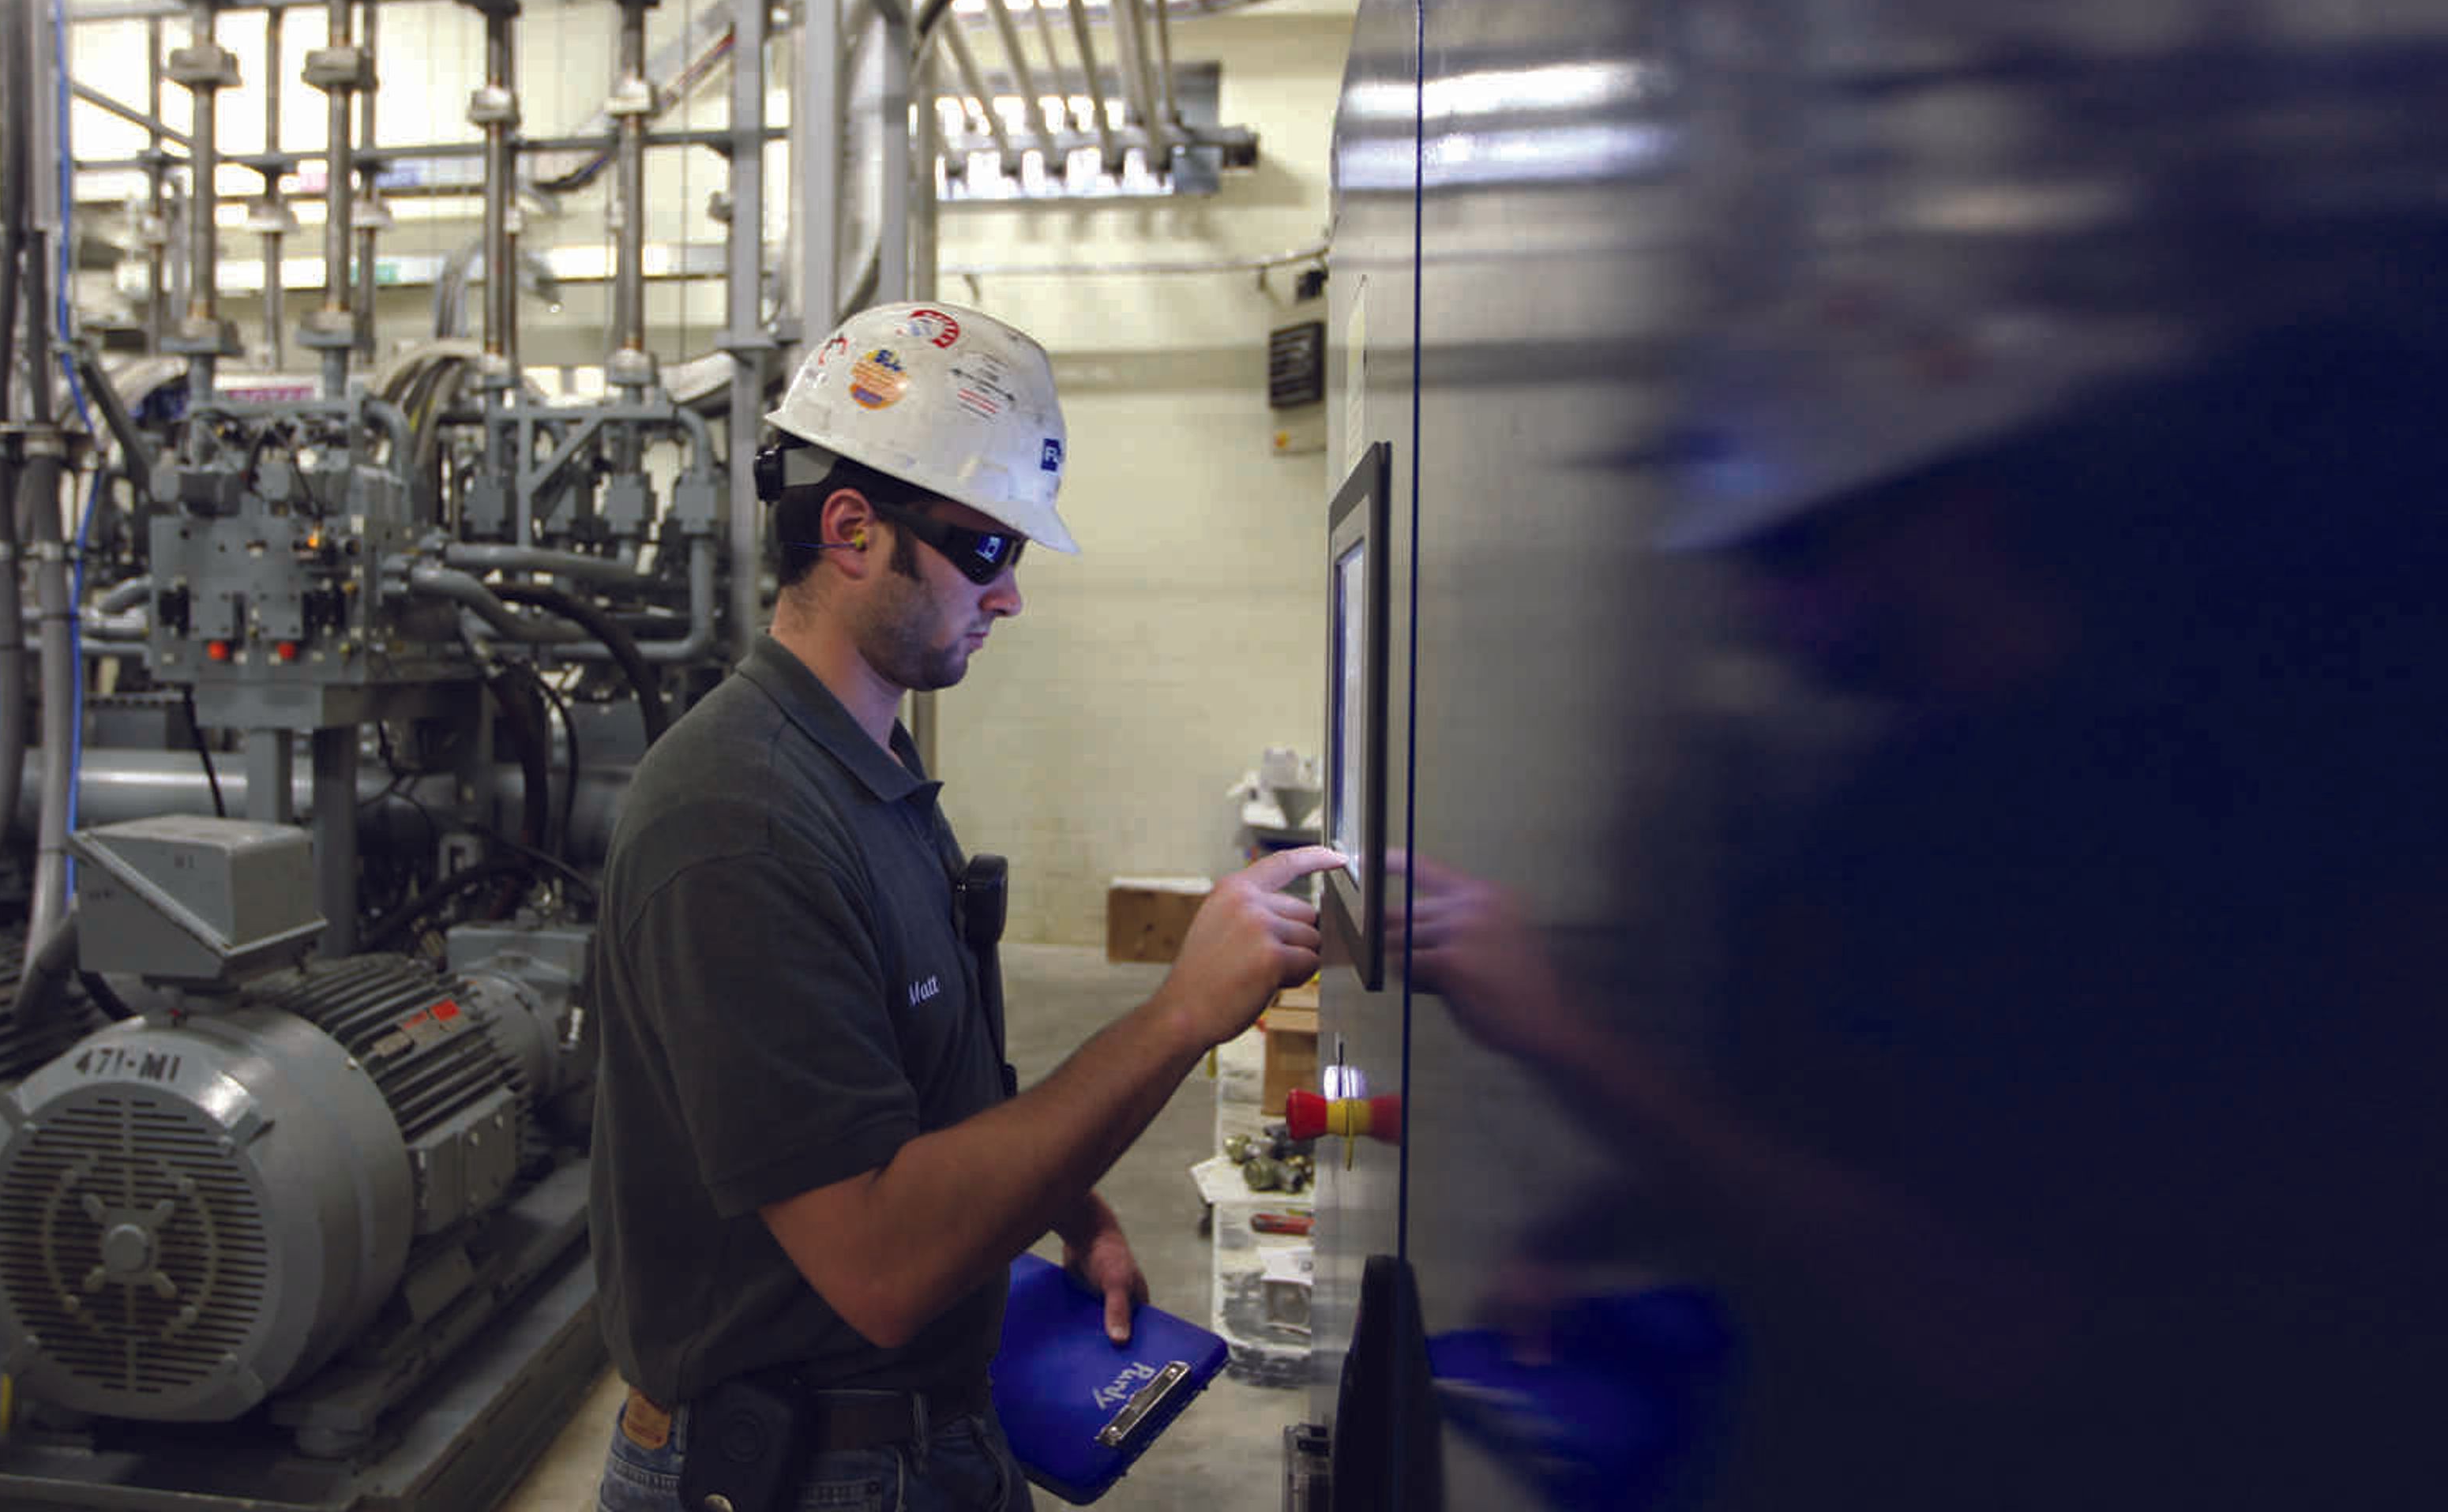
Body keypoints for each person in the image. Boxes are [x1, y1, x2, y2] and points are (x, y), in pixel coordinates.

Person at [1401, 291, 2448, 1509]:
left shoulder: (2129, 836)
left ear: (1949, 518)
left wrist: (1560, 1037)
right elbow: (1852, 1122)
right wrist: (1607, 1219)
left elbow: (1999, 1319)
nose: (1763, 610)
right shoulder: (1902, 798)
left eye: (1793, 554)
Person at [586, 300, 1342, 1512]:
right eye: (985, 551)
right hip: (793, 1473)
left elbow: (909, 1100)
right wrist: (1175, 1017)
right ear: (851, 530)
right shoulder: (737, 821)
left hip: (913, 1441)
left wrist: (1054, 1197)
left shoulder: (861, 777)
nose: (1009, 598)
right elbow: (880, 1264)